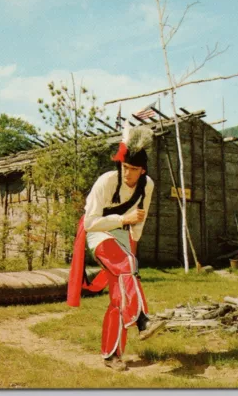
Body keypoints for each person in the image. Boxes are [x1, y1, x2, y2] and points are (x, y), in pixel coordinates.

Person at [67, 122, 163, 371]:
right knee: (126, 264)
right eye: (125, 167)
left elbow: (140, 220)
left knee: (119, 296)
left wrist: (132, 249)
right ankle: (142, 321)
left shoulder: (147, 185)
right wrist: (122, 219)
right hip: (97, 234)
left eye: (133, 169)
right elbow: (90, 222)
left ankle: (111, 354)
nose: (128, 173)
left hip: (122, 238)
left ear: (142, 170)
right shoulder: (107, 181)